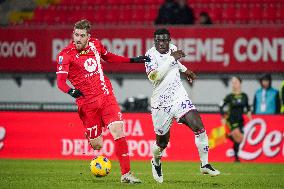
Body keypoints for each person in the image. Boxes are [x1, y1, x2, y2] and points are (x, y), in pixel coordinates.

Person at [56, 19, 149, 184]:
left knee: (118, 130)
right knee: (97, 145)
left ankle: (126, 174)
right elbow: (61, 82)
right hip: (88, 104)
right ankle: (91, 133)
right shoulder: (65, 55)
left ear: (88, 36)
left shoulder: (95, 45)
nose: (78, 38)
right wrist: (70, 91)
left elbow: (109, 57)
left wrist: (133, 60)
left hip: (106, 96)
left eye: (82, 35)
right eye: (76, 34)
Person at [144, 28, 220, 183]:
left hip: (179, 97)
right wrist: (172, 59)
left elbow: (176, 63)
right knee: (162, 143)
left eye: (165, 40)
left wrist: (186, 70)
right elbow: (154, 77)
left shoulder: (173, 49)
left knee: (199, 127)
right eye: (159, 40)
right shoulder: (150, 56)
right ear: (154, 41)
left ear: (169, 40)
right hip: (161, 104)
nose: (162, 43)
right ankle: (156, 161)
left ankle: (204, 164)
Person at [219, 76, 252, 162]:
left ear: (240, 83)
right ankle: (236, 157)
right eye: (233, 83)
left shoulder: (244, 96)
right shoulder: (229, 96)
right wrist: (223, 117)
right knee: (238, 136)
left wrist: (249, 112)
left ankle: (236, 156)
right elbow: (221, 106)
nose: (234, 84)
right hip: (231, 120)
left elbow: (247, 107)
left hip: (240, 120)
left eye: (236, 82)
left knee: (240, 139)